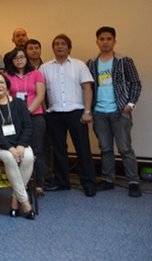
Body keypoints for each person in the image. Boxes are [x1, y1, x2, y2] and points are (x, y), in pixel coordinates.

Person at [86, 26, 142, 197]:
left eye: (108, 39)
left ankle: (133, 182)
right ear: (97, 41)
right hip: (99, 112)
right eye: (101, 39)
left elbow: (135, 83)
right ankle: (108, 180)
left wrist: (130, 105)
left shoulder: (124, 61)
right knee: (105, 149)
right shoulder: (92, 63)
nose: (105, 42)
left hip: (119, 112)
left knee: (125, 149)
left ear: (114, 41)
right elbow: (88, 88)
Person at [40, 34, 97, 197]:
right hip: (54, 114)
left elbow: (87, 88)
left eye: (63, 44)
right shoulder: (45, 67)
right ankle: (62, 182)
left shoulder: (79, 65)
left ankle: (88, 183)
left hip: (77, 112)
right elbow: (41, 91)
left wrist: (87, 111)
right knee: (58, 150)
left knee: (83, 149)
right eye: (56, 44)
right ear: (53, 48)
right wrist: (45, 110)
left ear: (69, 47)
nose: (59, 46)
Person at [0, 72, 35, 219]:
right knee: (9, 158)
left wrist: (20, 146)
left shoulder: (18, 103)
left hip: (19, 144)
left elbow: (27, 126)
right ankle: (25, 202)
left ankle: (15, 199)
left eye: (1, 82)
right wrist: (9, 147)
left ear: (6, 85)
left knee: (29, 157)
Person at [5, 48, 46, 197]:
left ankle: (39, 185)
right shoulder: (7, 76)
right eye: (16, 58)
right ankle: (22, 184)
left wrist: (27, 112)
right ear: (12, 61)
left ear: (26, 59)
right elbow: (5, 96)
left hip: (35, 116)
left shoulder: (36, 73)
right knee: (19, 151)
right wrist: (19, 116)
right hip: (14, 119)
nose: (19, 60)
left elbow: (40, 95)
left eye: (22, 57)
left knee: (37, 150)